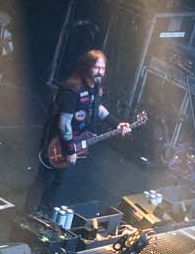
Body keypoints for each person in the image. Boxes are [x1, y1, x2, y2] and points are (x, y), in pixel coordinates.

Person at [35, 47, 130, 217]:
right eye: (96, 67)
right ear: (87, 67)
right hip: (57, 143)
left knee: (58, 181)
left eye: (102, 68)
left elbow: (97, 108)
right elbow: (64, 123)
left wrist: (117, 123)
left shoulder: (94, 88)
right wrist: (69, 149)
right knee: (44, 178)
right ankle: (28, 213)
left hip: (76, 140)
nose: (100, 72)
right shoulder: (73, 90)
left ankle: (43, 214)